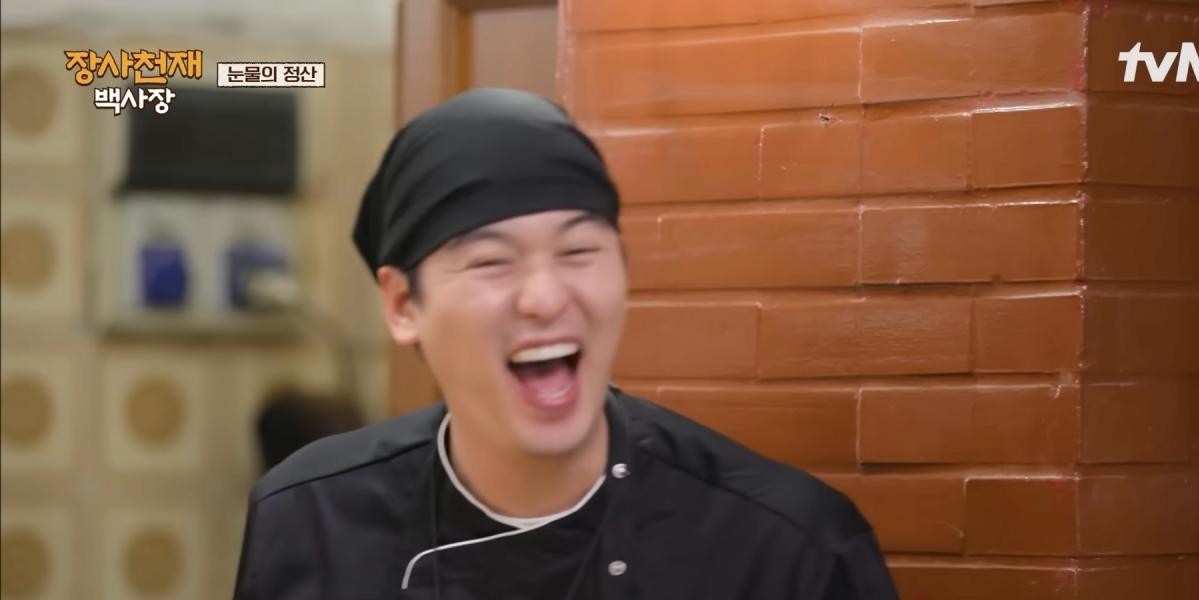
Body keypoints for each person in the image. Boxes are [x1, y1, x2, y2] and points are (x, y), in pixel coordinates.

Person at [232, 88, 899, 600]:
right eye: (492, 261)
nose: (546, 297)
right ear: (403, 305)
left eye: (579, 251)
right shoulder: (310, 518)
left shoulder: (787, 549)